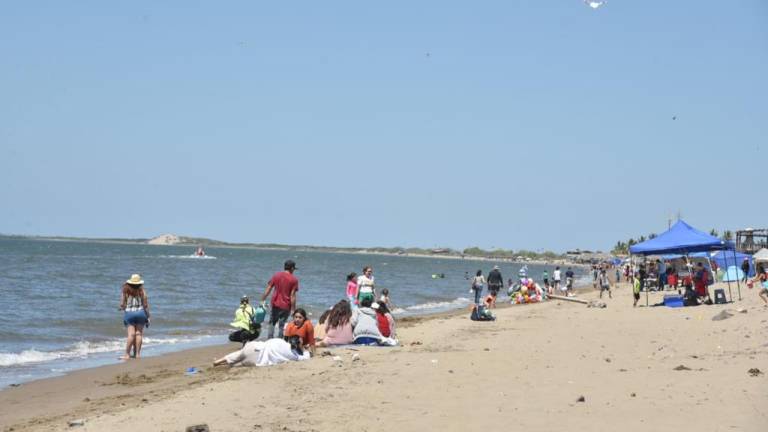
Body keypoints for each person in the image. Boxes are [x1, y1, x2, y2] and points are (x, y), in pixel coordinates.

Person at [213, 336, 310, 367]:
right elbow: (306, 356)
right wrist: (305, 349)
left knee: (238, 355)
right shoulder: (292, 355)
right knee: (239, 364)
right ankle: (227, 364)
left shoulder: (279, 341)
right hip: (257, 357)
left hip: (253, 346)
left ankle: (218, 361)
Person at [261, 260, 299, 339]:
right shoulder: (294, 280)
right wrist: (293, 309)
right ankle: (279, 341)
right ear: (291, 268)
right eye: (293, 269)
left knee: (272, 323)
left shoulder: (276, 275)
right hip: (286, 306)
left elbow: (268, 288)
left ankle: (269, 340)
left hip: (275, 304)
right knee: (282, 325)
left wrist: (262, 299)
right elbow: (292, 295)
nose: (293, 271)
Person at [119, 274, 150, 360]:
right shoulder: (142, 291)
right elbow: (146, 305)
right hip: (141, 313)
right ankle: (137, 354)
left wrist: (122, 308)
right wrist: (148, 316)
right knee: (139, 334)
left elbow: (122, 304)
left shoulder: (125, 291)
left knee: (131, 334)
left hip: (130, 314)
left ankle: (127, 355)